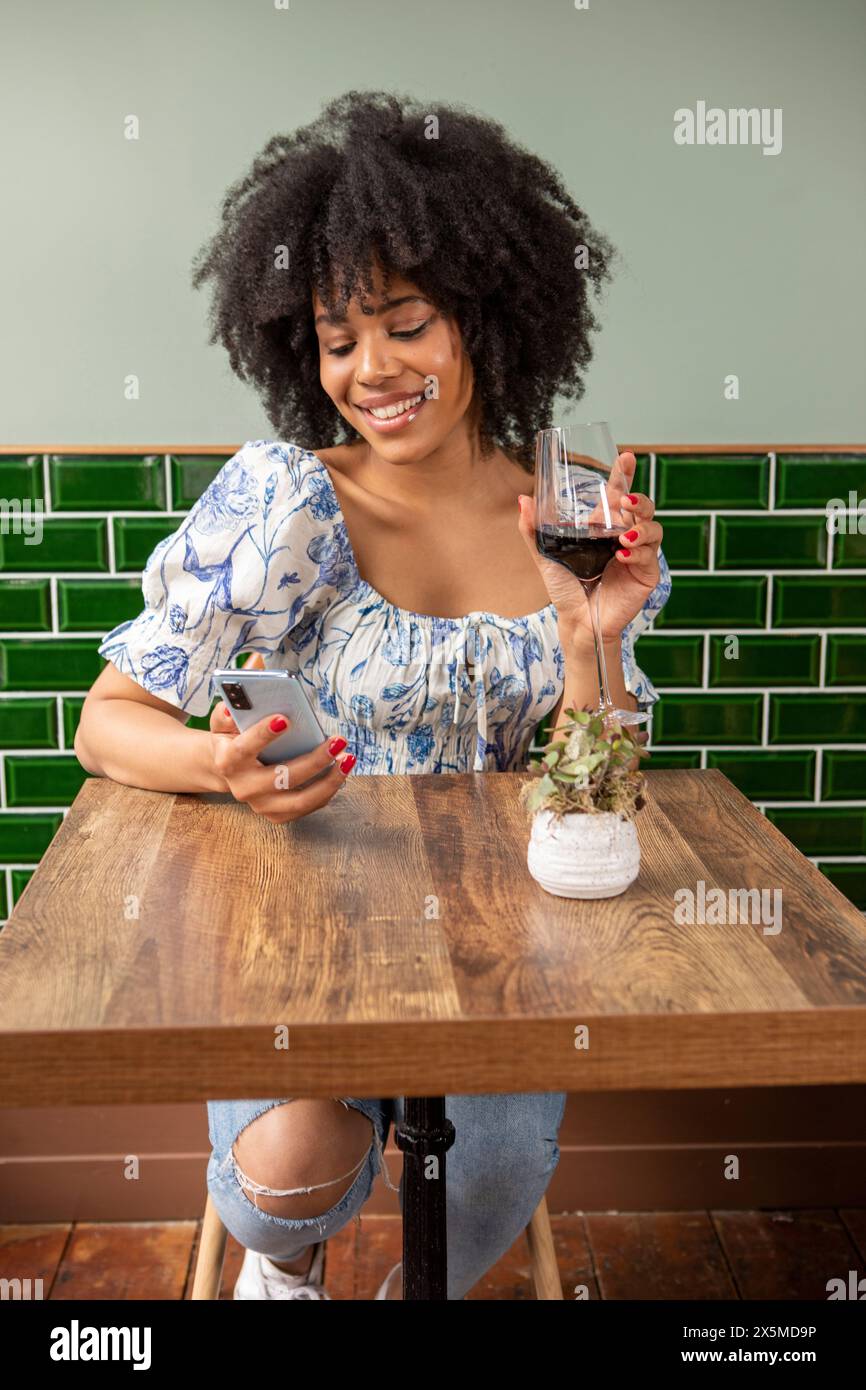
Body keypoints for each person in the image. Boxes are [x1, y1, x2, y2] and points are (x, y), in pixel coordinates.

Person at [74, 91, 670, 1301]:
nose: (371, 370)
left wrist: (587, 634)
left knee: (484, 1192)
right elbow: (104, 723)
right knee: (289, 1166)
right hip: (301, 924)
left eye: (405, 325)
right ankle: (279, 1274)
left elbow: (597, 794)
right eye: (338, 340)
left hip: (503, 952)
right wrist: (223, 768)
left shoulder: (562, 518)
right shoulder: (290, 499)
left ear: (484, 323)